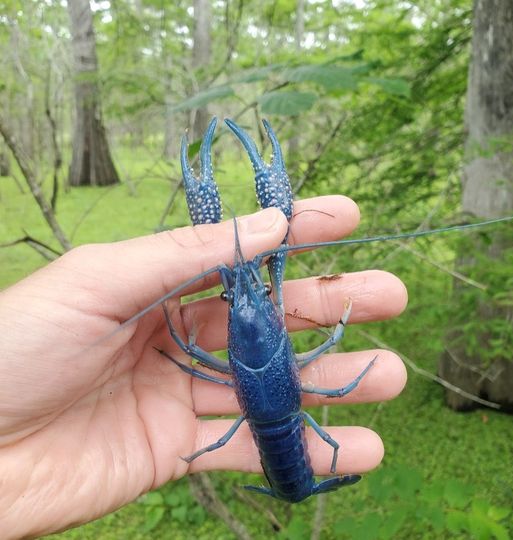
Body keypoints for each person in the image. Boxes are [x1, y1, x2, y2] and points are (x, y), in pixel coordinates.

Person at [0, 196, 407, 538]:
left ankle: (295, 487)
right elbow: (330, 345)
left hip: (284, 446)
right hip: (279, 436)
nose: (254, 295)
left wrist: (181, 341)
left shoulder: (226, 342)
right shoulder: (276, 314)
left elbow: (190, 356)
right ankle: (297, 487)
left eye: (262, 293)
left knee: (193, 343)